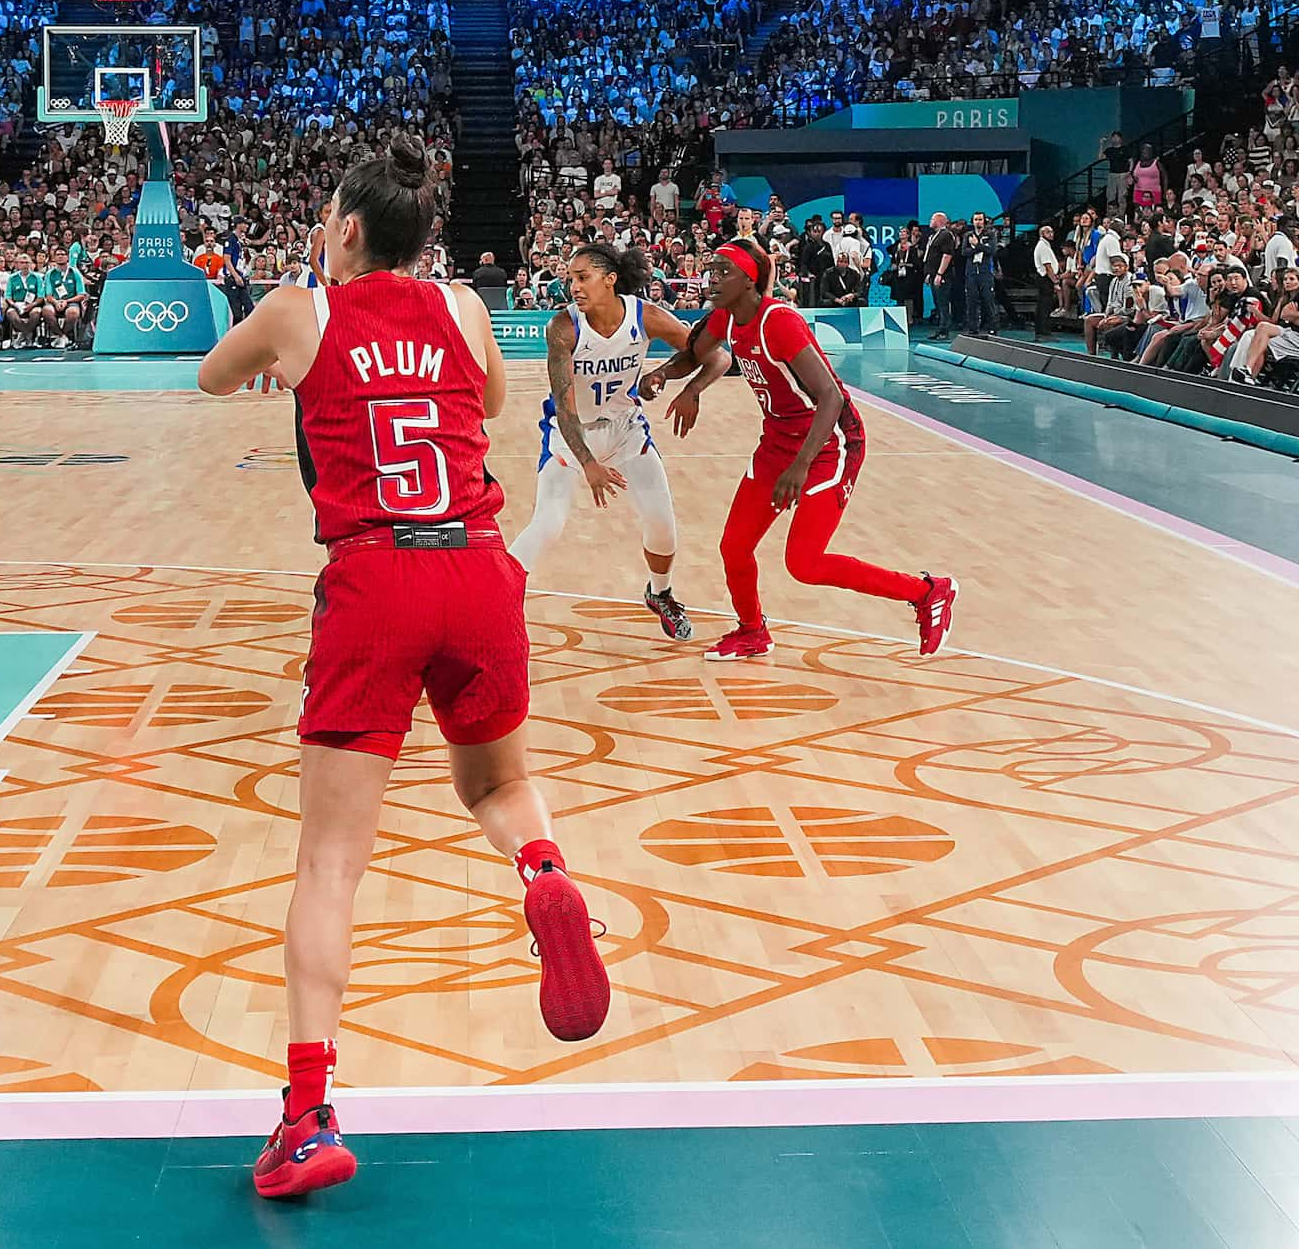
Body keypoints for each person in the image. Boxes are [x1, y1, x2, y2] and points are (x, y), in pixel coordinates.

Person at [195, 140, 609, 1204]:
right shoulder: (464, 307)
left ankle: (307, 1111)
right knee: (499, 785)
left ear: (340, 227)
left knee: (329, 861)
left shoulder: (301, 311)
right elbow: (497, 405)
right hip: (476, 569)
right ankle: (544, 873)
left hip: (375, 580)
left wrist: (302, 297)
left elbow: (210, 375)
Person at [636, 238, 956, 663]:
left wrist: (801, 466)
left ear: (750, 282)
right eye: (710, 270)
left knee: (804, 563)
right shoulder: (725, 318)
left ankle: (927, 592)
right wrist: (664, 376)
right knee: (734, 546)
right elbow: (693, 355)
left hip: (829, 444)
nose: (711, 279)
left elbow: (831, 397)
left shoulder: (779, 323)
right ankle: (752, 631)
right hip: (778, 443)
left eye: (722, 272)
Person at [507, 242, 697, 640]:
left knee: (662, 525)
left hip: (626, 430)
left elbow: (704, 353)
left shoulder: (647, 316)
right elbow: (564, 405)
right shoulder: (564, 326)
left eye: (582, 277)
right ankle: (492, 602)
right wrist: (589, 463)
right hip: (570, 435)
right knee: (548, 524)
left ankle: (659, 594)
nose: (573, 286)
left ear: (609, 280)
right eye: (570, 278)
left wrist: (667, 377)